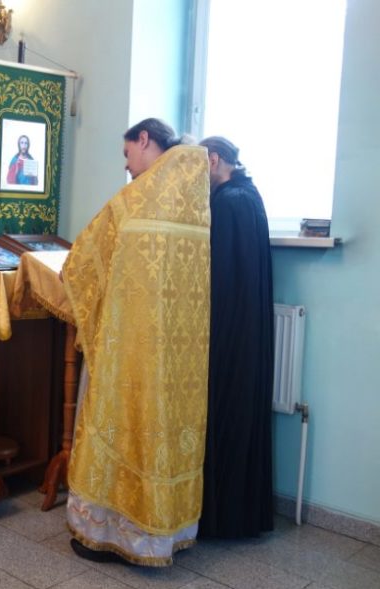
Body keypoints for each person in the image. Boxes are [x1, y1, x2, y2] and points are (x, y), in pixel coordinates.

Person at [62, 118, 211, 566]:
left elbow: (83, 260)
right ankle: (162, 534)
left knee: (120, 422)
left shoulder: (139, 196)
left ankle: (110, 533)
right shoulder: (196, 195)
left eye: (127, 154)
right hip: (182, 353)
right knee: (166, 427)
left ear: (145, 140)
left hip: (131, 343)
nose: (127, 167)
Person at [198, 136, 274, 538]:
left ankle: (221, 515)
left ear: (213, 160)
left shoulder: (227, 202)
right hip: (248, 325)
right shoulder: (250, 195)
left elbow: (216, 273)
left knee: (223, 404)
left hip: (227, 325)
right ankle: (240, 513)